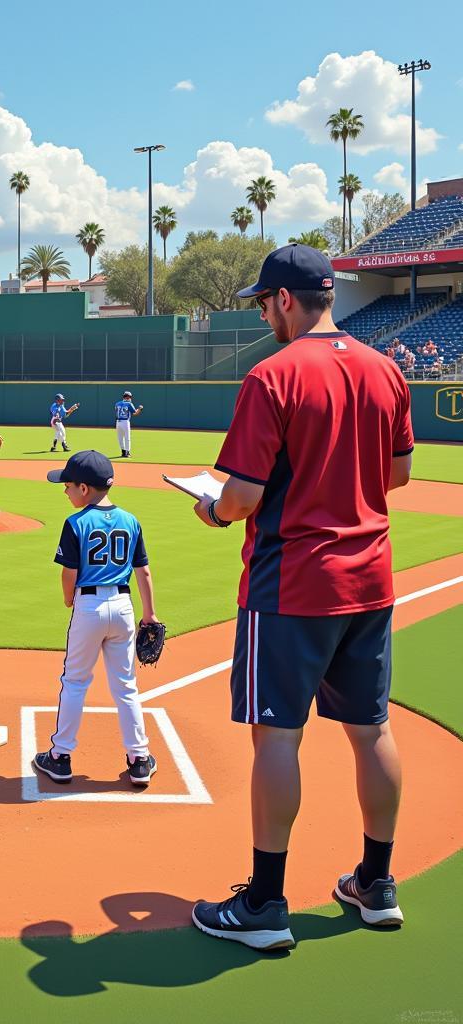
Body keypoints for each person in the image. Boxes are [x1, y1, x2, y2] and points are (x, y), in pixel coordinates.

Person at [189, 243, 413, 951]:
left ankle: (263, 903)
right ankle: (376, 885)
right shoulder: (386, 369)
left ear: (286, 300)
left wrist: (214, 510)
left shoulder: (270, 376)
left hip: (291, 586)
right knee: (370, 730)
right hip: (369, 578)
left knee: (276, 737)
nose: (264, 312)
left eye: (263, 301)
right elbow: (398, 475)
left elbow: (244, 496)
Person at [32, 451, 159, 788]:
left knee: (74, 681)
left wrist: (68, 599)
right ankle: (139, 758)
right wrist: (150, 614)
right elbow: (143, 572)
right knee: (126, 685)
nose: (65, 491)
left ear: (85, 489)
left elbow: (68, 573)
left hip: (89, 606)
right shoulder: (131, 520)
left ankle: (60, 756)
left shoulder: (76, 523)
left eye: (69, 485)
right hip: (124, 606)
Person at [114, 390, 144, 458]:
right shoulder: (129, 404)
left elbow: (116, 411)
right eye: (130, 397)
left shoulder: (117, 403)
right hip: (125, 422)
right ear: (128, 397)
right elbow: (135, 413)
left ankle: (123, 452)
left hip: (118, 422)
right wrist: (140, 409)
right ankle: (127, 453)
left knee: (120, 438)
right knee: (127, 438)